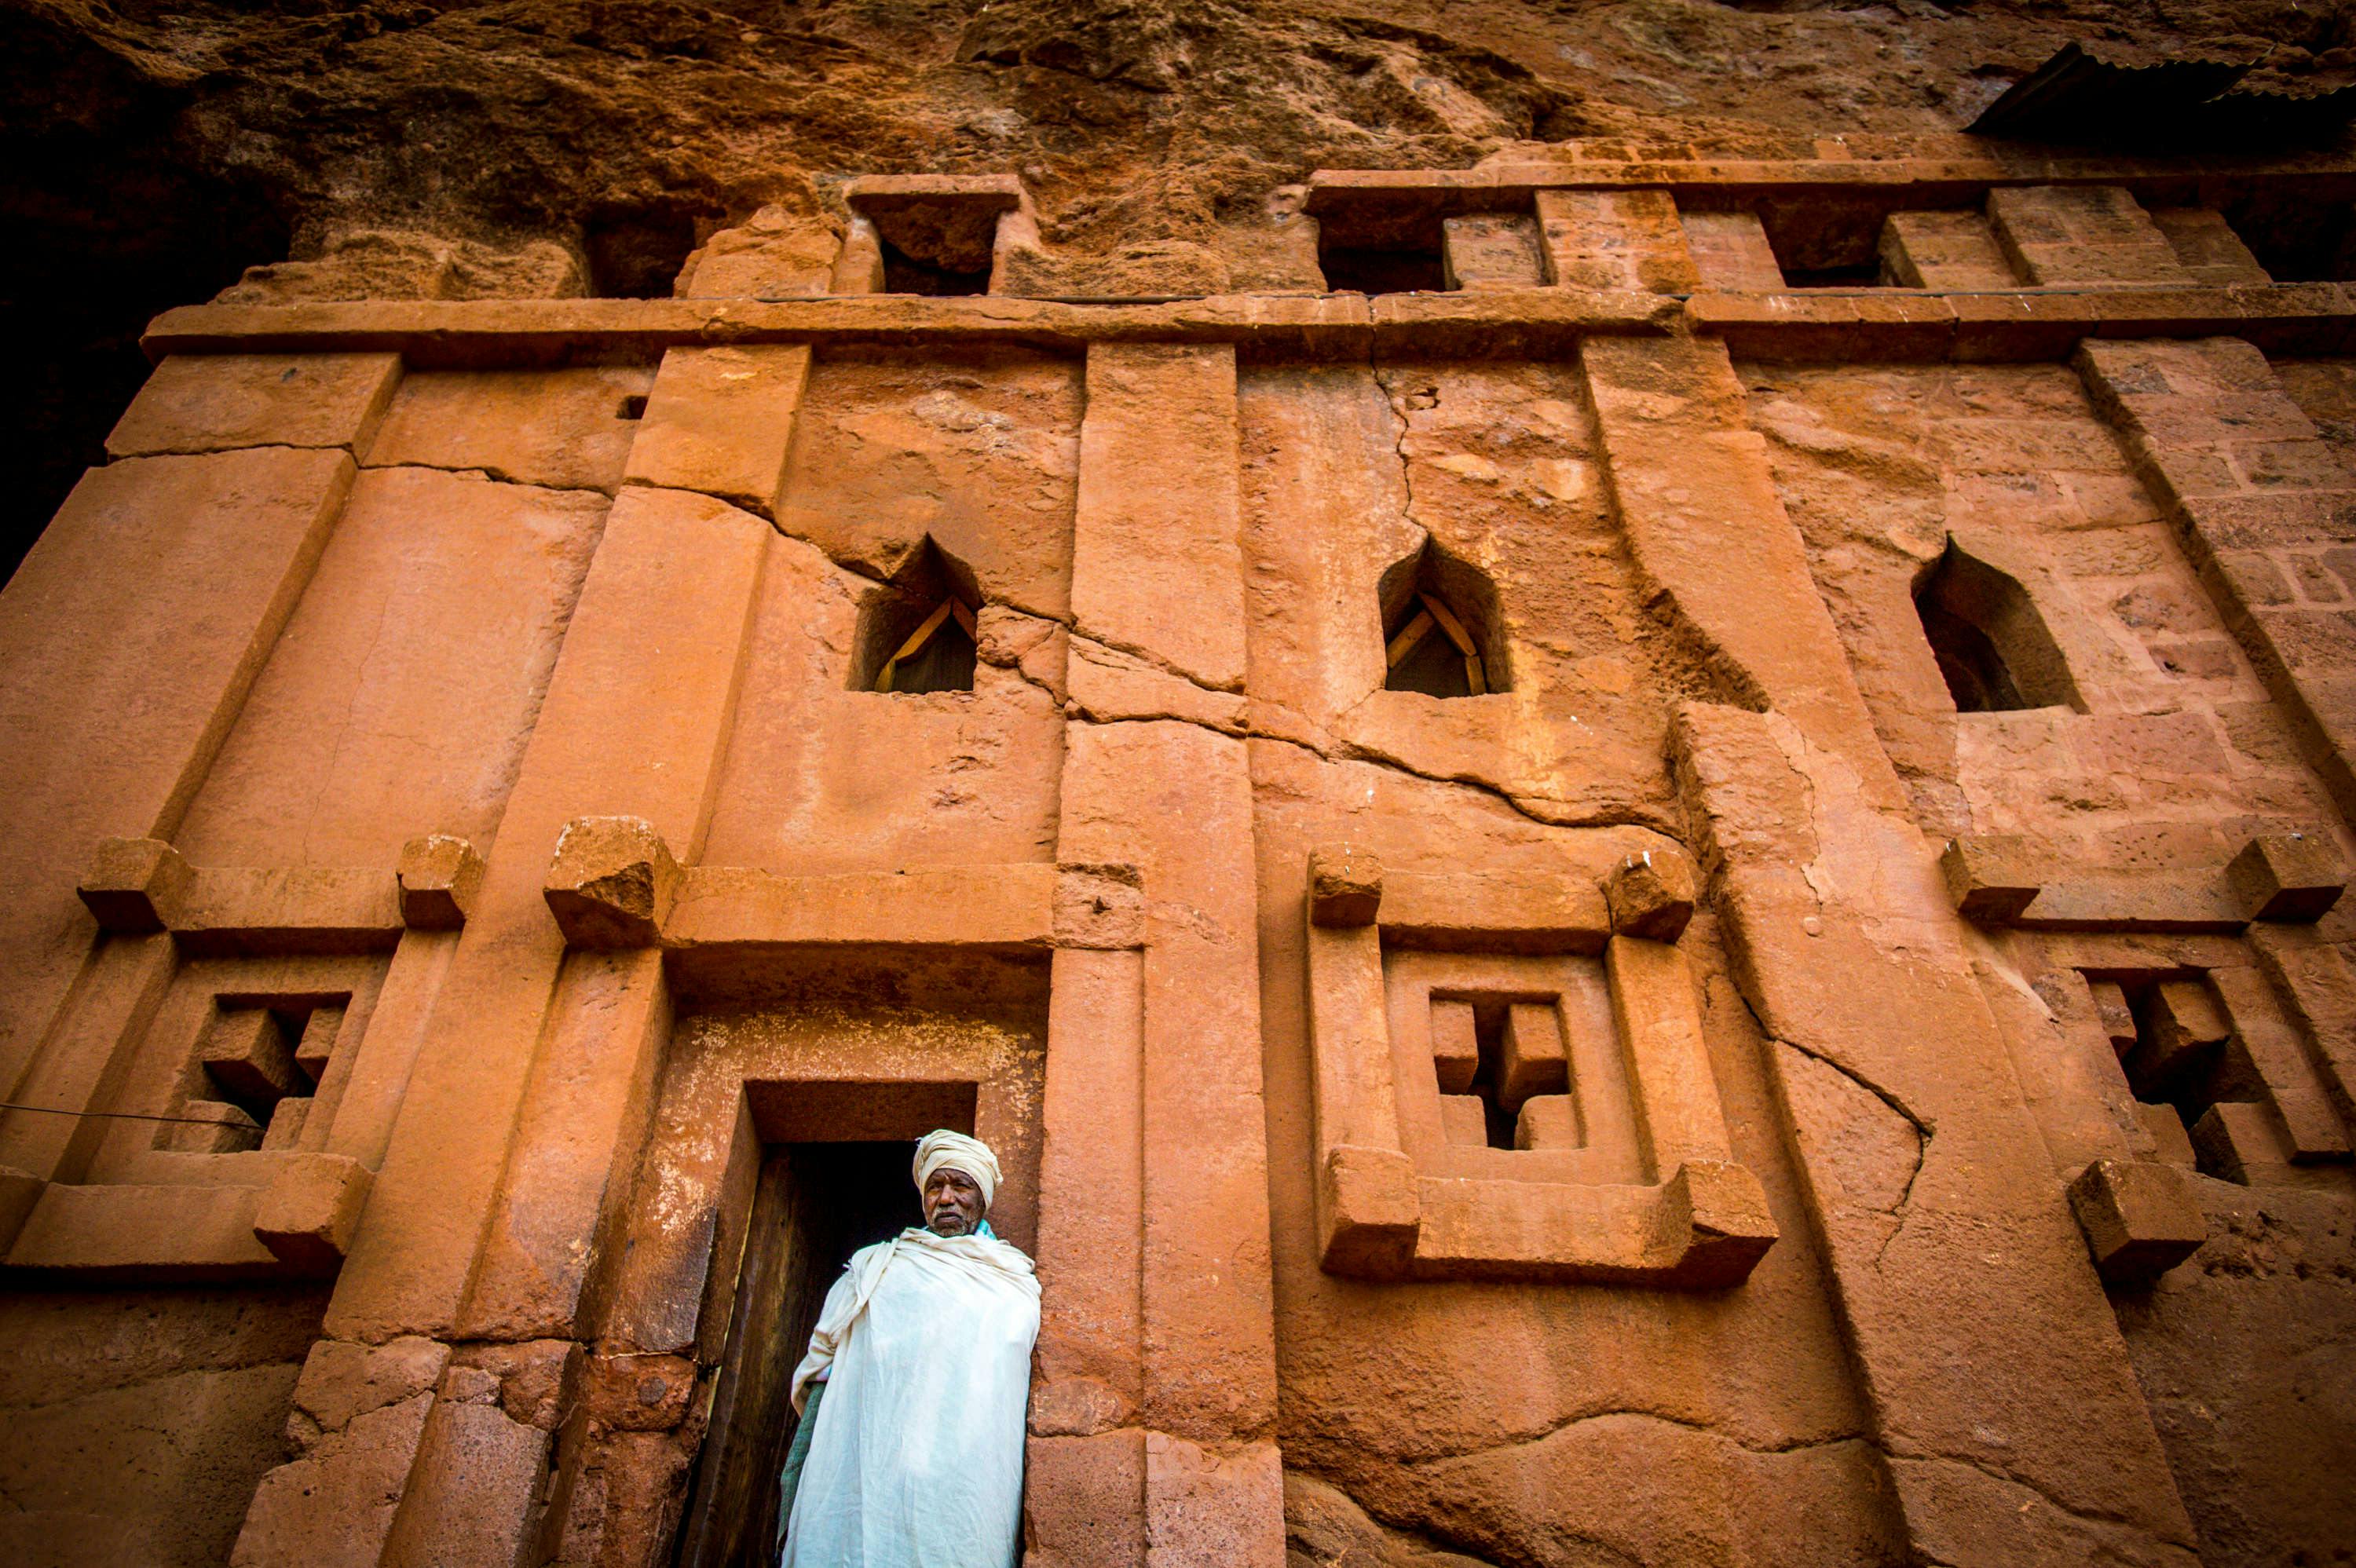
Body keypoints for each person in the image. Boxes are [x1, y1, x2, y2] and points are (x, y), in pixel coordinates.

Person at [777, 1130, 1040, 1567]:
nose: (947, 1199)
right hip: (862, 1471)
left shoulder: (1012, 1285)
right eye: (936, 1187)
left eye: (961, 1186)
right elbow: (824, 1374)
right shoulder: (876, 1269)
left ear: (982, 1197)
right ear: (923, 1198)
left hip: (960, 1484)